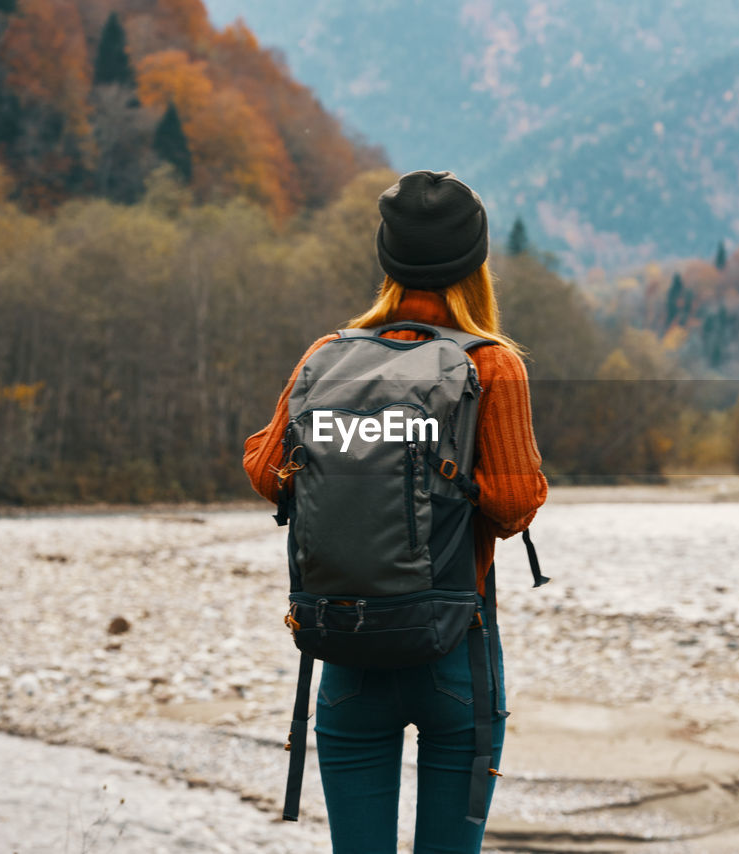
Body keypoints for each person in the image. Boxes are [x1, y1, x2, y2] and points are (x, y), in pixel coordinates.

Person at [242, 169, 549, 852]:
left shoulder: (330, 357)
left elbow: (266, 473)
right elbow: (513, 505)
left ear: (387, 259)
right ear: (476, 262)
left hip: (346, 649)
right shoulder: (492, 365)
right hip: (454, 653)